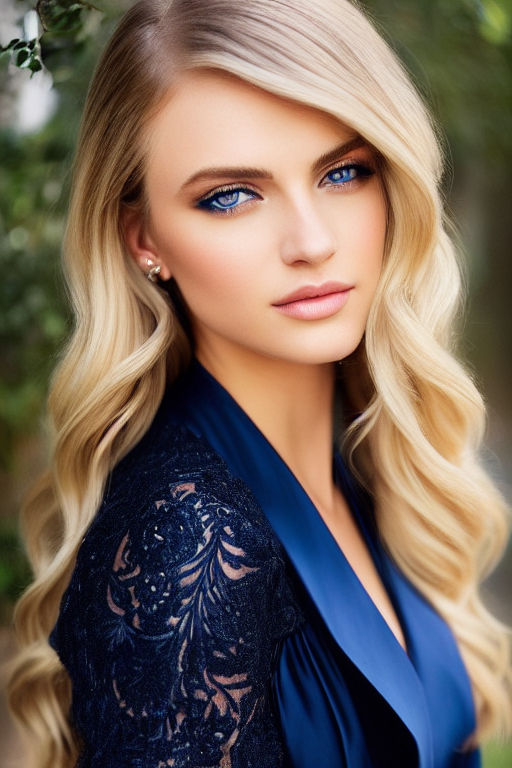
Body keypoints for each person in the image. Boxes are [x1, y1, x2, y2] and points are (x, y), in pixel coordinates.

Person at [7, 0, 511, 766]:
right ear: (143, 240)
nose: (311, 241)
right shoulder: (187, 534)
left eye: (344, 172)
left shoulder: (369, 465)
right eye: (231, 195)